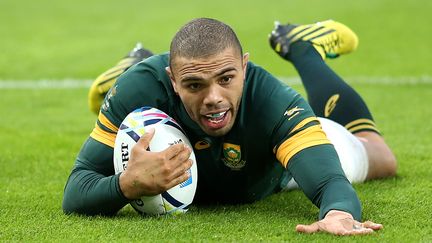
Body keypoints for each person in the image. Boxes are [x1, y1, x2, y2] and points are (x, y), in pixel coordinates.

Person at [63, 18, 397, 235]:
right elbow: (76, 190)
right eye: (194, 85)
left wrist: (338, 214)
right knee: (134, 84)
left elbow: (329, 183)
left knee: (381, 157)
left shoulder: (272, 102)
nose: (213, 98)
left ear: (244, 67)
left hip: (276, 177)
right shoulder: (139, 91)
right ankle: (132, 66)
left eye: (226, 79)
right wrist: (127, 184)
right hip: (143, 83)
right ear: (172, 82)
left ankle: (303, 48)